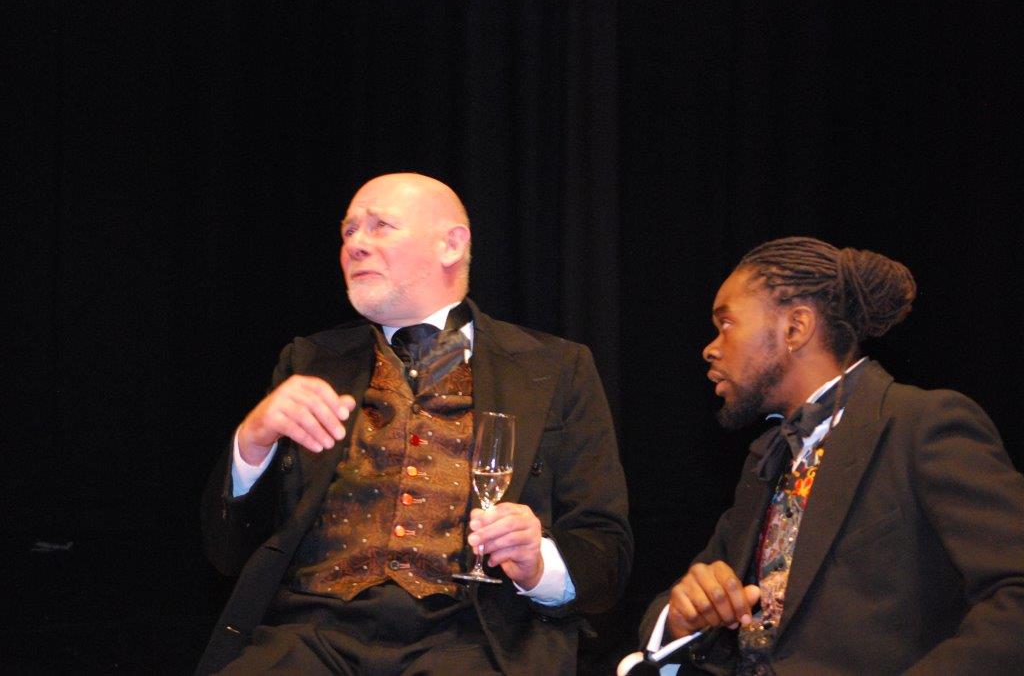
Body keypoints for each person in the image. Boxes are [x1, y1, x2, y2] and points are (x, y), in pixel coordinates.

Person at [198, 173, 632, 675]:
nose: (356, 244)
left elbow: (605, 551)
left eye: (379, 226)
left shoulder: (555, 369)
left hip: (474, 639)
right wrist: (252, 445)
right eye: (348, 231)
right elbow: (228, 554)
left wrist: (538, 564)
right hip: (312, 634)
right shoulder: (309, 361)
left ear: (452, 245)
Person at [637, 237, 1024, 675]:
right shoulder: (766, 459)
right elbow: (676, 603)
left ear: (796, 328)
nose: (710, 347)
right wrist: (681, 616)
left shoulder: (920, 425)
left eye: (726, 323)